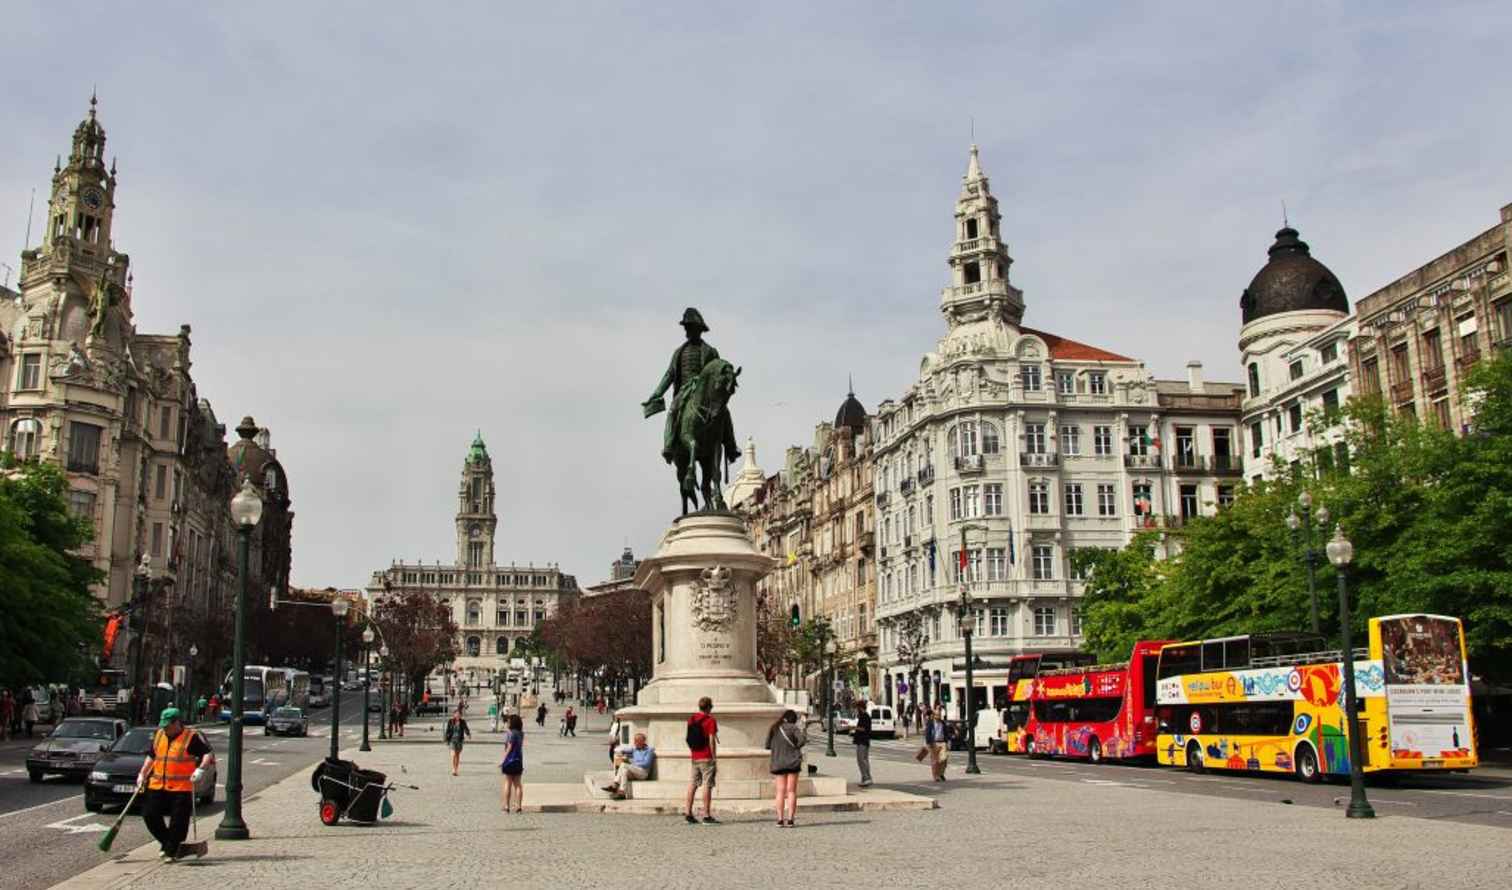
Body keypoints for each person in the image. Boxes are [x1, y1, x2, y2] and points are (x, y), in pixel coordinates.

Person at [135, 708, 213, 862]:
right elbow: (152, 756)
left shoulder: (190, 737)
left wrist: (201, 769)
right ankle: (170, 845)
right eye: (163, 726)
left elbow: (207, 753)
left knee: (178, 823)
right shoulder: (159, 735)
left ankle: (170, 852)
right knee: (149, 814)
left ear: (177, 723)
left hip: (181, 788)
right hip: (157, 784)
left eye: (168, 726)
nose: (165, 729)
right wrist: (142, 774)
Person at [765, 709, 806, 827]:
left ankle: (780, 819)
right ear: (793, 720)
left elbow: (767, 745)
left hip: (778, 763)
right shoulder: (793, 728)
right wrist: (795, 747)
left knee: (780, 791)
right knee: (791, 791)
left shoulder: (774, 728)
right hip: (792, 762)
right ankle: (791, 819)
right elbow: (802, 740)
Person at [683, 696, 719, 825]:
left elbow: (688, 738)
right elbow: (711, 740)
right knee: (707, 785)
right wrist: (714, 757)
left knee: (692, 784)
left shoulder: (691, 719)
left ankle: (688, 813)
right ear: (709, 707)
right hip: (706, 756)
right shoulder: (710, 720)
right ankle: (706, 815)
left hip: (695, 756)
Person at [602, 732, 655, 800]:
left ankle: (615, 785)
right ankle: (622, 793)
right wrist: (620, 752)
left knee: (623, 765)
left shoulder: (649, 750)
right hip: (634, 772)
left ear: (642, 741)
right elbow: (620, 749)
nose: (635, 743)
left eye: (636, 741)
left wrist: (632, 763)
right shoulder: (634, 749)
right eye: (635, 741)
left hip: (643, 772)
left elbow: (646, 763)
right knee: (624, 771)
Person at [500, 714, 525, 813]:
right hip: (518, 760)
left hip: (510, 760)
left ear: (512, 723)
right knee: (518, 784)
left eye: (509, 721)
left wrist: (503, 760)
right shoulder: (521, 734)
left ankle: (507, 806)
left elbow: (509, 747)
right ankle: (519, 806)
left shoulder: (511, 733)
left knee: (508, 783)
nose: (507, 723)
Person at [444, 708, 471, 777]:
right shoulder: (450, 721)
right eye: (456, 714)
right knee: (453, 755)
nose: (458, 715)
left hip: (459, 740)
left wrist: (468, 734)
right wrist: (446, 739)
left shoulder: (462, 722)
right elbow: (447, 730)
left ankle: (456, 769)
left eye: (459, 714)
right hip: (452, 740)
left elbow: (466, 728)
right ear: (454, 715)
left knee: (457, 755)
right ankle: (453, 769)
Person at [926, 706, 949, 781]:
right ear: (934, 716)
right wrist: (929, 743)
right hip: (934, 743)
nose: (938, 716)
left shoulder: (942, 723)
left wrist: (947, 742)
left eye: (939, 715)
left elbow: (946, 733)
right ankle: (936, 776)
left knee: (944, 759)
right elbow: (928, 733)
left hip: (942, 742)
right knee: (935, 761)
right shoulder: (930, 723)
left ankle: (941, 773)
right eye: (937, 715)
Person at [853, 701, 873, 787]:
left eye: (857, 708)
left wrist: (855, 727)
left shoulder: (865, 716)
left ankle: (866, 778)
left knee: (861, 760)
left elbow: (864, 729)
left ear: (860, 707)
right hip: (863, 741)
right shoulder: (864, 716)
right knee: (864, 760)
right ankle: (866, 778)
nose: (856, 710)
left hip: (863, 741)